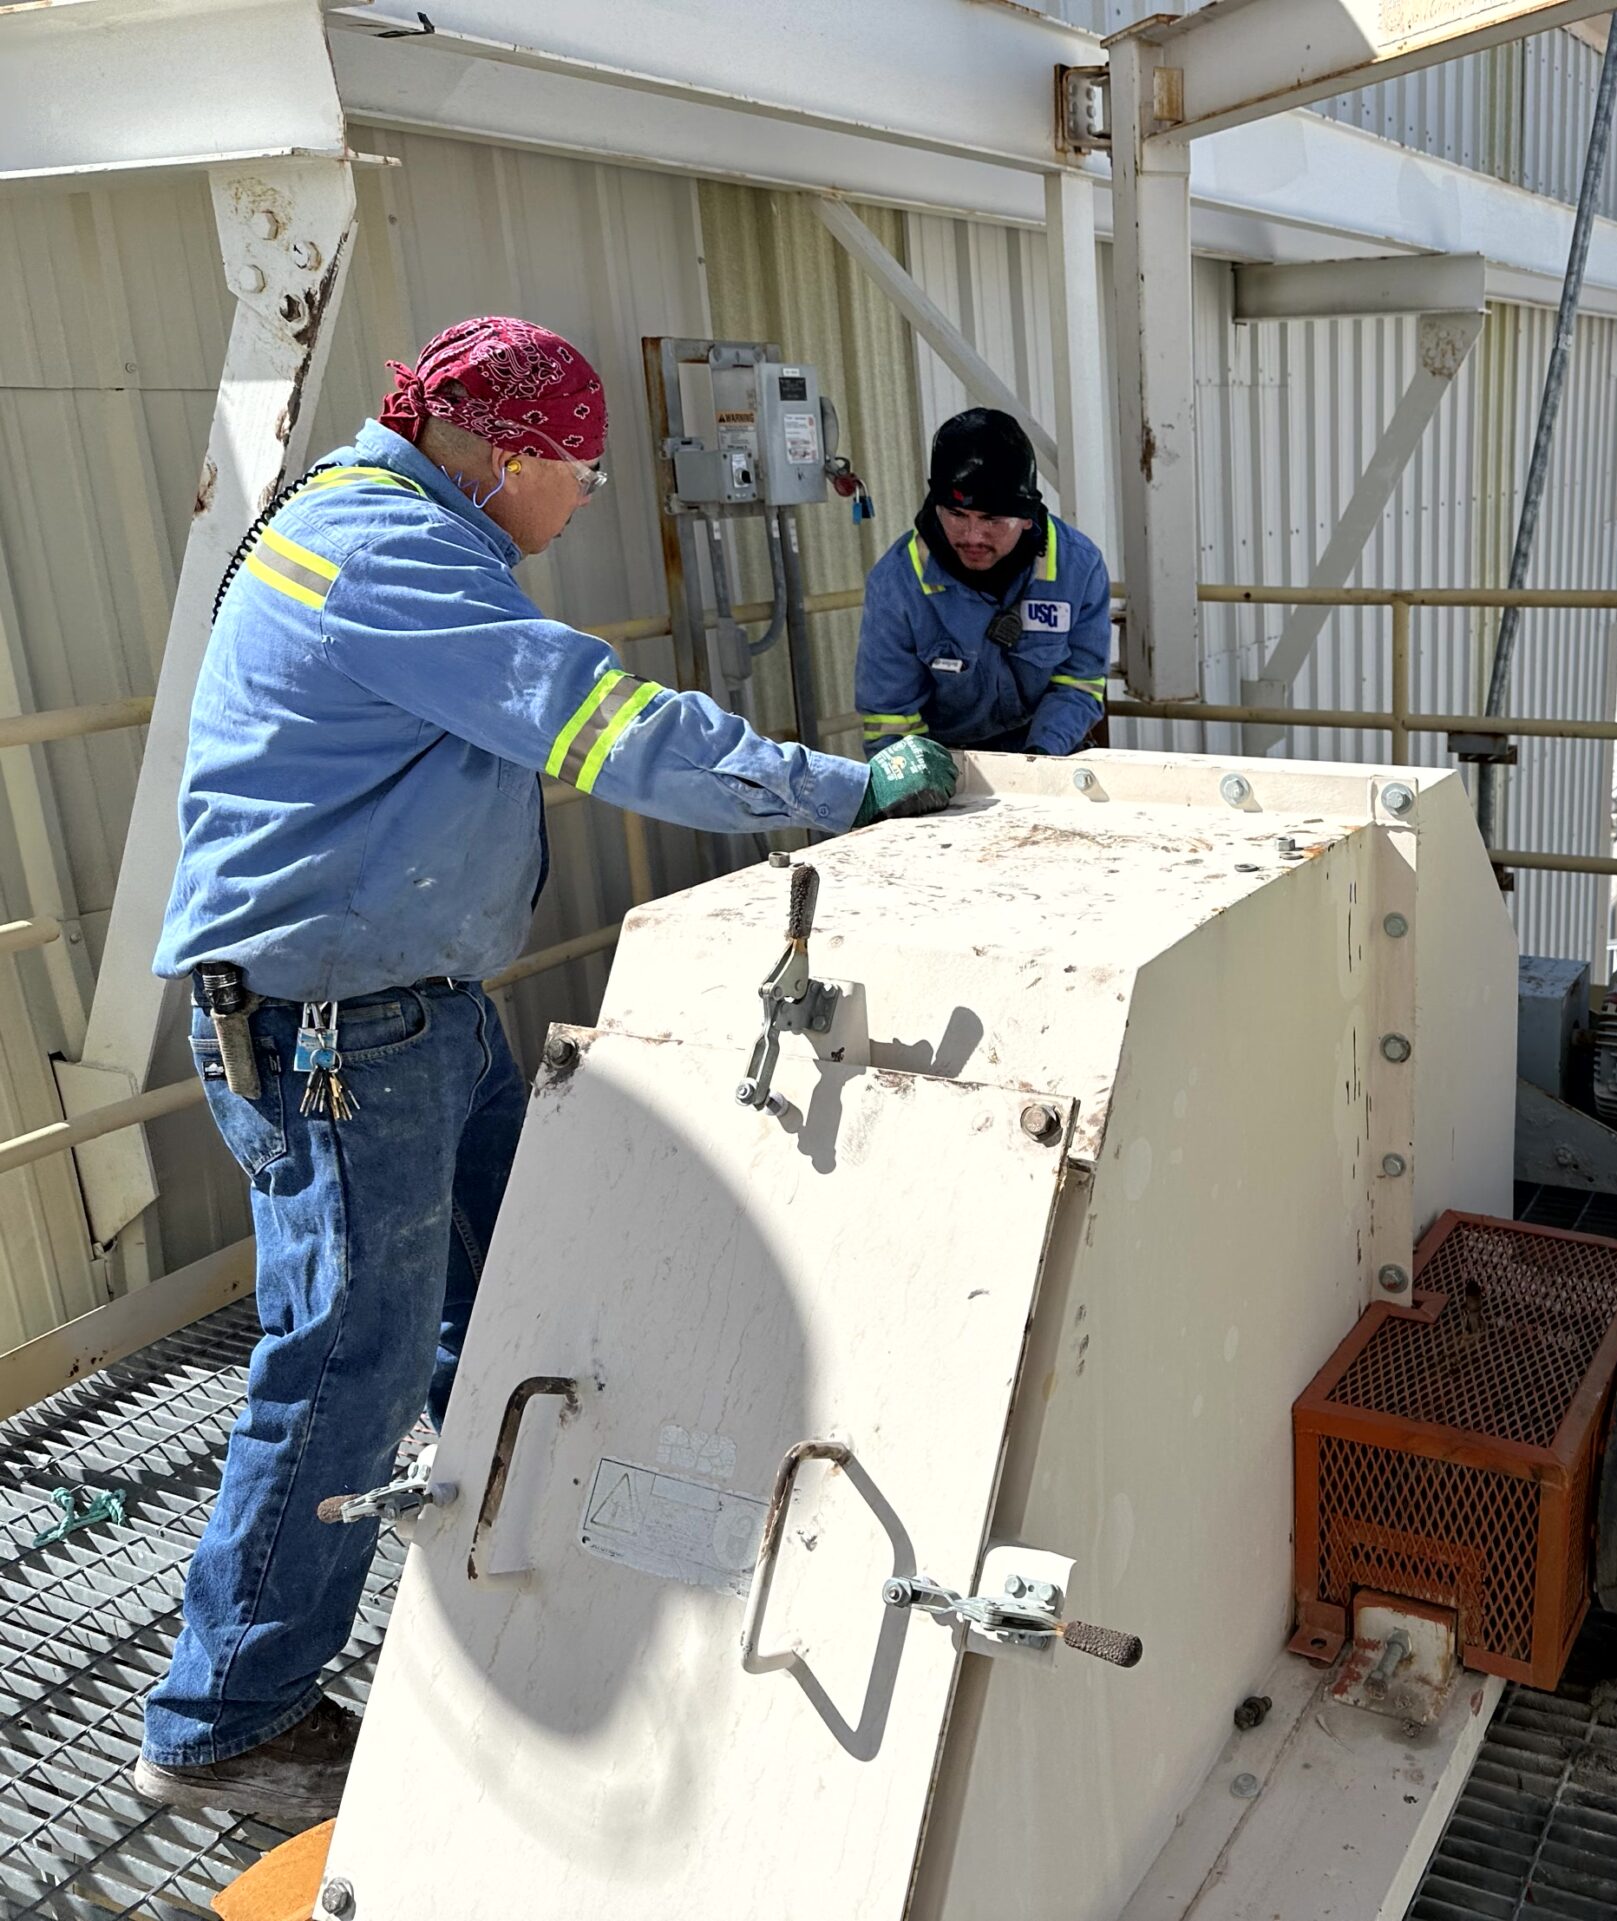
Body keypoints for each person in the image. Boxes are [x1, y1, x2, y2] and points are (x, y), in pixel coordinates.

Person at [138, 316, 957, 1825]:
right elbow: (602, 722)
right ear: (501, 458)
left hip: (405, 1011)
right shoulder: (392, 556)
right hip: (334, 1033)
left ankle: (503, 1570)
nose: (582, 503)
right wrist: (838, 792)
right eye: (577, 475)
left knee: (516, 1284)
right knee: (344, 1365)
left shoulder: (367, 517)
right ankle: (225, 1719)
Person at [856, 409, 1112, 757]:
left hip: (1046, 750)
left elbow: (1077, 682)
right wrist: (917, 784)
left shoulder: (1078, 568)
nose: (972, 535)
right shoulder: (897, 584)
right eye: (957, 515)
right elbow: (891, 718)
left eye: (992, 519)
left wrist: (1038, 760)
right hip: (945, 760)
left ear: (1026, 517)